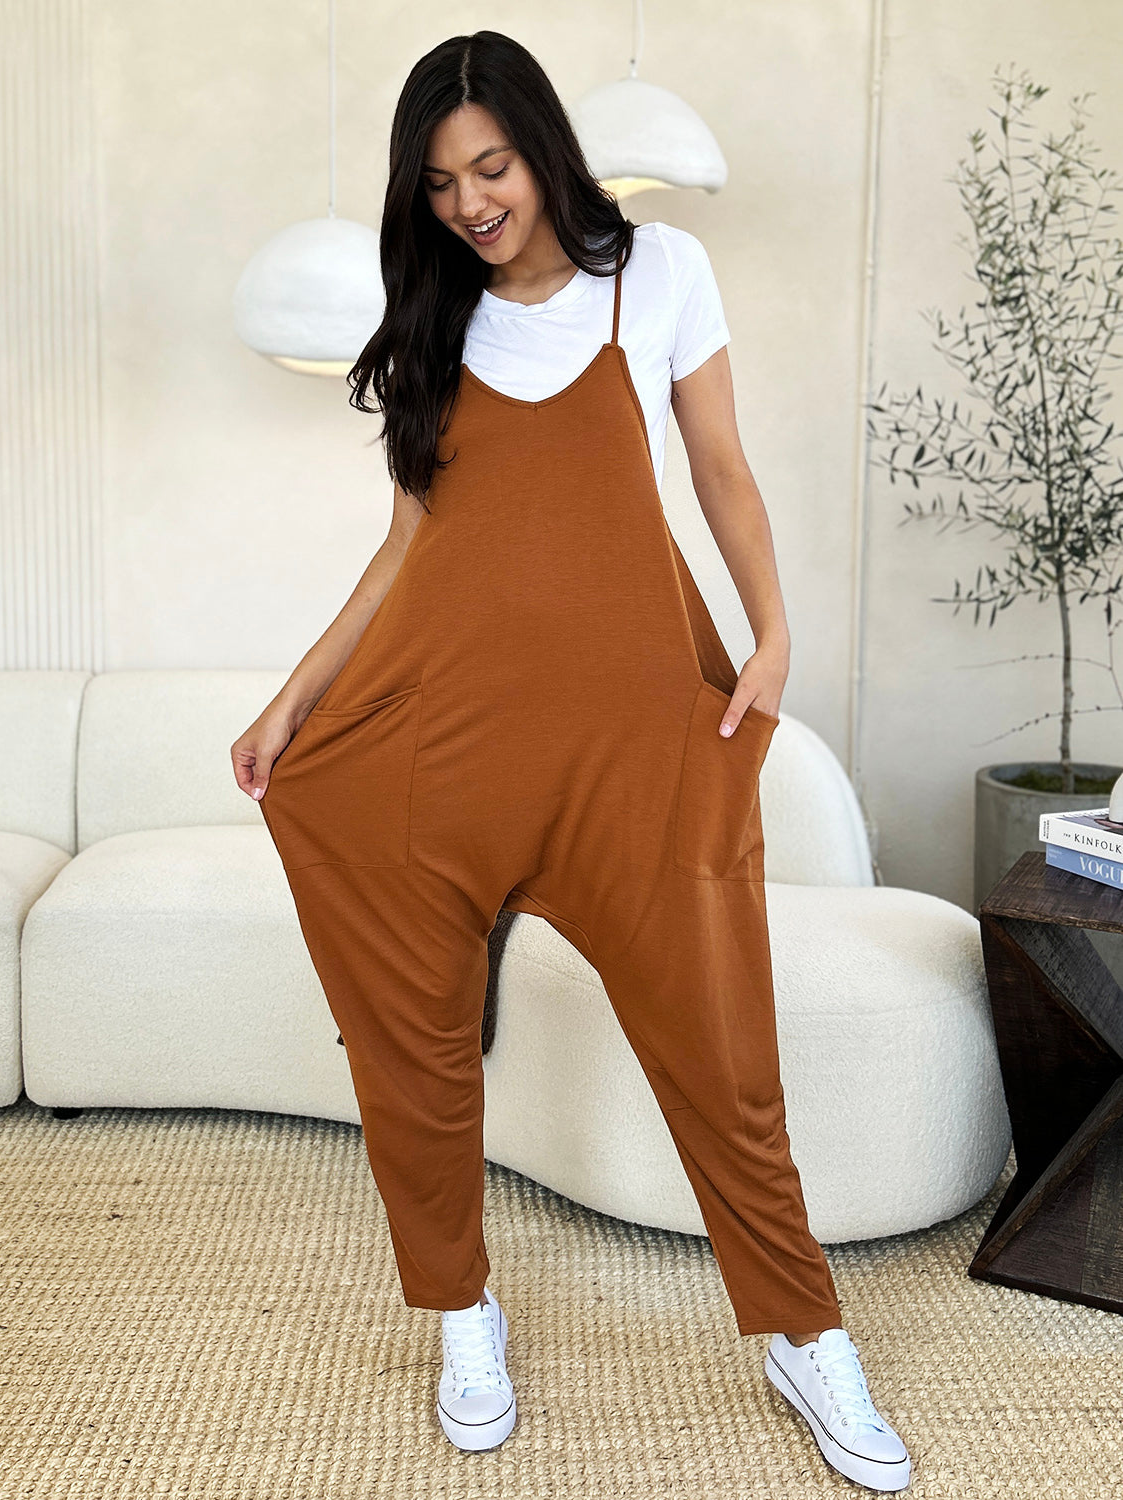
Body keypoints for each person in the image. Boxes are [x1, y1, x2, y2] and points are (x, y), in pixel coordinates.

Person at [231, 29, 911, 1494]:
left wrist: (773, 634)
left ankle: (801, 1333)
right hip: (442, 747)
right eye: (440, 182)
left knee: (723, 1055)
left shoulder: (652, 276)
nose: (473, 201)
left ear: (542, 149)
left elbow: (718, 466)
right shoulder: (435, 325)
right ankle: (461, 1313)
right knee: (413, 1052)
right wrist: (295, 702)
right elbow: (406, 547)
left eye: (491, 166)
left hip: (629, 751)